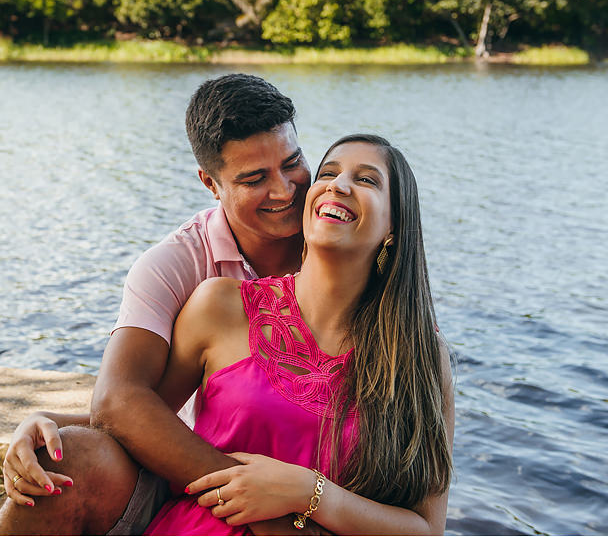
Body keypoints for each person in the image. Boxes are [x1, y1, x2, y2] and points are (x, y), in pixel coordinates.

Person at [0, 73, 315, 535]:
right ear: (210, 182)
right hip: (194, 469)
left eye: (293, 162)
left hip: (316, 471)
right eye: (254, 179)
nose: (284, 191)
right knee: (69, 460)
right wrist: (248, 499)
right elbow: (120, 399)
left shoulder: (339, 240)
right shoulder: (172, 264)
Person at [144, 134, 454, 534]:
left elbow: (426, 529)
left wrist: (311, 492)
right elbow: (142, 420)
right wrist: (47, 426)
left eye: (366, 180)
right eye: (328, 173)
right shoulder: (220, 306)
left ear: (393, 226)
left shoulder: (418, 353)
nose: (338, 185)